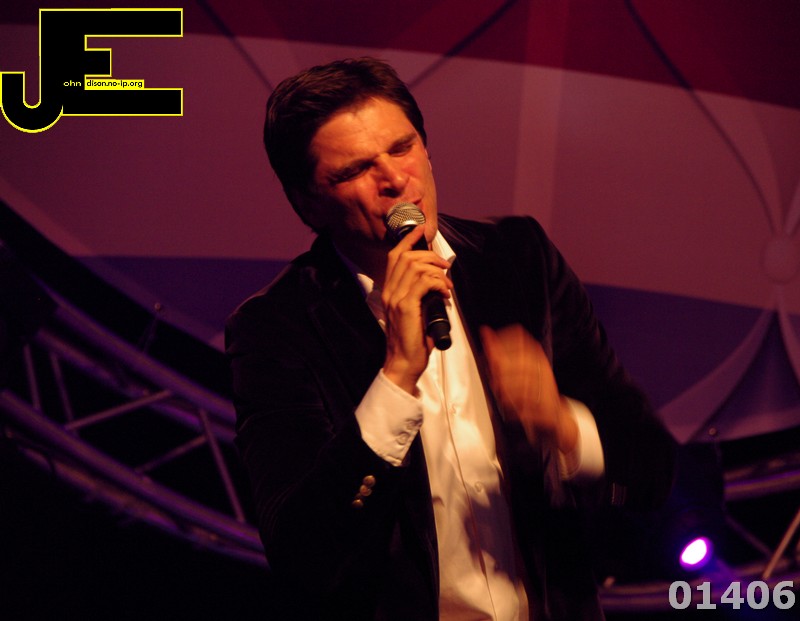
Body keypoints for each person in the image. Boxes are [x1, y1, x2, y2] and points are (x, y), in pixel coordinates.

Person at [226, 57, 676, 620]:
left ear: (427, 148)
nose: (394, 180)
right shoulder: (277, 327)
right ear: (307, 204)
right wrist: (395, 379)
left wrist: (563, 424)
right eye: (355, 170)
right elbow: (304, 556)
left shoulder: (518, 261)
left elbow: (655, 468)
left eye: (402, 148)